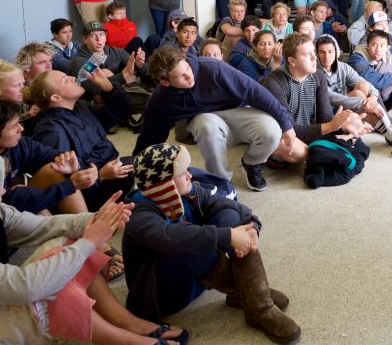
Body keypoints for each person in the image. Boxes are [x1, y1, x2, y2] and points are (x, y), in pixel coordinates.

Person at [0, 152, 187, 345]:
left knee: (63, 247)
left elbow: (45, 227)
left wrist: (97, 219)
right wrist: (90, 240)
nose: (4, 189)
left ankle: (126, 323)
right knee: (48, 288)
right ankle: (127, 341)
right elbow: (27, 288)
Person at [123, 144, 299, 343]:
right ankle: (258, 304)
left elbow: (234, 207)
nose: (190, 175)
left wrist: (252, 228)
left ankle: (252, 298)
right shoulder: (137, 215)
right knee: (193, 240)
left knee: (231, 217)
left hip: (197, 278)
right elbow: (174, 238)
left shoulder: (189, 191)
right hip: (163, 296)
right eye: (182, 173)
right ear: (163, 185)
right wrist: (229, 236)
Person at [137, 48, 296, 192]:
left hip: (239, 112)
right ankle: (220, 180)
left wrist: (286, 125)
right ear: (165, 82)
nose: (189, 75)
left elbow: (255, 92)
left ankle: (252, 163)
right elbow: (150, 135)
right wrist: (137, 165)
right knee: (207, 124)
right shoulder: (160, 100)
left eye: (187, 67)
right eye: (181, 76)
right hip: (206, 122)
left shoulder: (213, 67)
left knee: (272, 130)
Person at [0, 97, 98, 219]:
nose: (21, 129)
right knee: (23, 195)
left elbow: (53, 156)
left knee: (55, 170)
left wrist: (74, 168)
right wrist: (70, 185)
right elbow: (4, 203)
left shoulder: (18, 144)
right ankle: (77, 240)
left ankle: (89, 233)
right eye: (14, 126)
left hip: (9, 200)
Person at [25, 71, 135, 210]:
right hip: (94, 190)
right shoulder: (51, 130)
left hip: (112, 169)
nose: (72, 77)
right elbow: (66, 180)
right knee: (161, 165)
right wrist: (101, 175)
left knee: (164, 159)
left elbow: (116, 113)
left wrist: (109, 89)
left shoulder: (80, 107)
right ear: (56, 96)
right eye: (65, 80)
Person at [260, 34, 372, 168]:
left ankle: (317, 152)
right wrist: (332, 126)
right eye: (308, 55)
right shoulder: (274, 82)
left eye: (314, 52)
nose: (315, 58)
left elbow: (324, 119)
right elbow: (289, 128)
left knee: (346, 126)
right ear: (292, 61)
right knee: (295, 149)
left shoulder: (318, 76)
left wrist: (342, 126)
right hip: (284, 133)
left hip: (306, 133)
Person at [315, 34, 392, 142]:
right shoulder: (314, 71)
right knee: (358, 96)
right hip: (326, 112)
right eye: (322, 52)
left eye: (330, 51)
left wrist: (372, 97)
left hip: (345, 106)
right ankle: (388, 131)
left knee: (363, 86)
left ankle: (384, 129)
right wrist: (363, 103)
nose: (327, 56)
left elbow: (366, 84)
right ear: (316, 54)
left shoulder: (342, 67)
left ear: (336, 52)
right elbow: (330, 97)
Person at [348, 30, 392, 110]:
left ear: (387, 46)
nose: (378, 49)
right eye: (374, 45)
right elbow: (369, 79)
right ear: (367, 45)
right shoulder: (357, 57)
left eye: (382, 46)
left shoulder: (390, 53)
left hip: (386, 97)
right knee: (372, 87)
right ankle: (386, 122)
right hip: (366, 101)